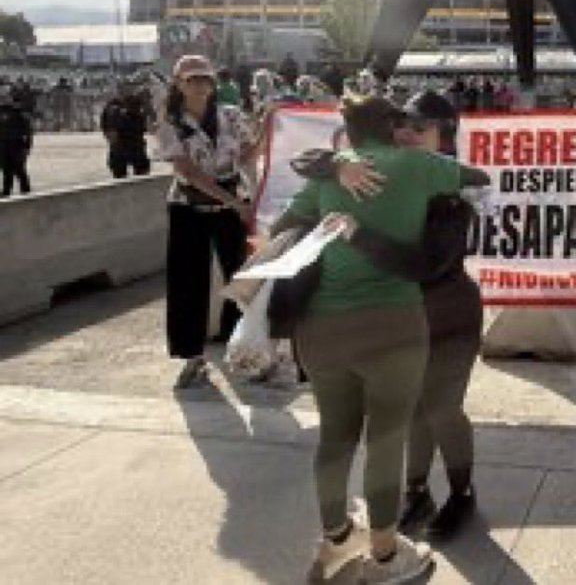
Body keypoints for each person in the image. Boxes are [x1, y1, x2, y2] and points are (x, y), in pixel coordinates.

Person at [275, 95, 488, 582]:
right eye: (406, 124)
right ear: (392, 127)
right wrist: (347, 164)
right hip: (393, 324)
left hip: (342, 327)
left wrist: (346, 192)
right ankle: (387, 553)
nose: (411, 132)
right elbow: (477, 178)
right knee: (389, 436)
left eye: (423, 125)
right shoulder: (416, 169)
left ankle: (342, 537)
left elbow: (283, 225)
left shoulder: (349, 175)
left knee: (350, 433)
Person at [156, 55, 258, 390]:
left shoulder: (231, 116)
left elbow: (244, 155)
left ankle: (246, 347)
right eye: (192, 80)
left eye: (205, 79)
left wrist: (268, 134)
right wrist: (233, 202)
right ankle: (191, 356)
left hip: (230, 199)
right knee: (188, 281)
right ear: (179, 84)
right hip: (190, 203)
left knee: (243, 278)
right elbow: (189, 172)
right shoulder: (170, 122)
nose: (200, 86)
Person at [100, 79, 152, 179]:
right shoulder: (113, 107)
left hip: (135, 145)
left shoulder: (136, 103)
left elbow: (147, 121)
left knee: (142, 174)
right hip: (122, 146)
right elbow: (108, 129)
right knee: (120, 173)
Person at [0, 85, 33, 196]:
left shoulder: (18, 113)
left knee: (19, 169)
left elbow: (27, 131)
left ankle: (26, 192)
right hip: (3, 144)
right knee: (6, 170)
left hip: (17, 144)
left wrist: (27, 147)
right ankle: (6, 192)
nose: (4, 98)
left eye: (6, 96)